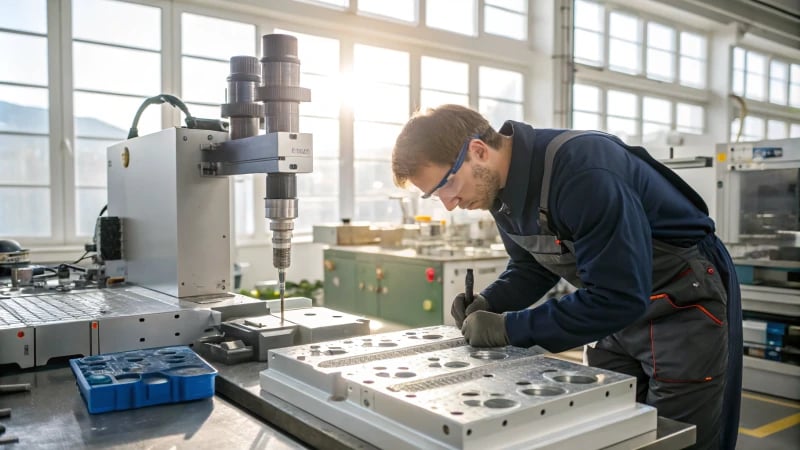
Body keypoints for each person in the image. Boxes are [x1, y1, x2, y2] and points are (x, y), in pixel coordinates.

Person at [391, 104, 742, 450]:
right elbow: (532, 265)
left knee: (674, 438)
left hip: (680, 302)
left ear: (478, 152)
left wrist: (508, 328)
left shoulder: (582, 172)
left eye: (445, 186)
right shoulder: (496, 189)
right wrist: (491, 301)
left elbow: (618, 297)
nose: (448, 203)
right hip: (613, 311)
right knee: (614, 429)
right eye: (435, 196)